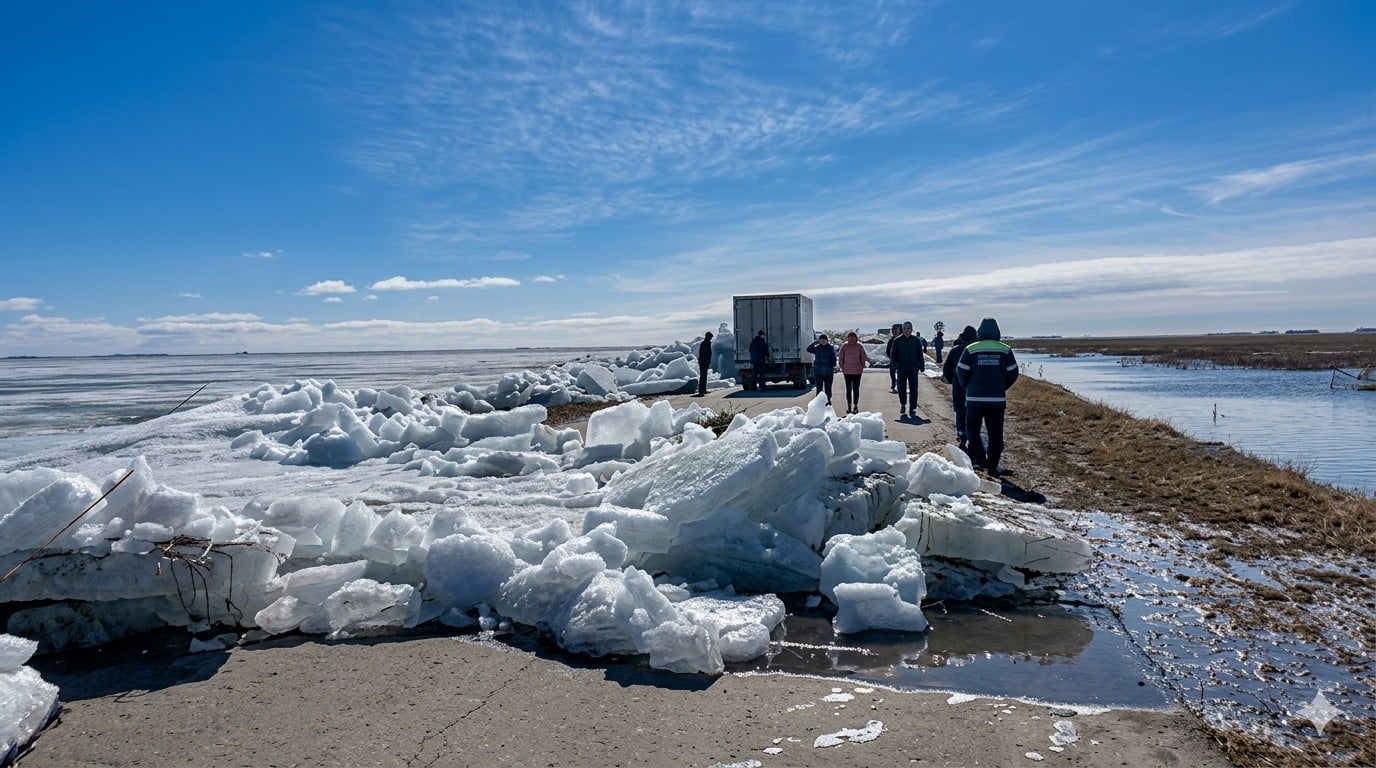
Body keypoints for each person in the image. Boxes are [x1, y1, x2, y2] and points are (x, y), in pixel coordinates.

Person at [955, 317, 1019, 476]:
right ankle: (992, 467)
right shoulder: (1005, 350)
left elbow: (961, 371)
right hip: (996, 401)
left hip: (974, 400)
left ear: (980, 331)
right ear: (997, 331)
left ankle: (974, 463)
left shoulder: (971, 349)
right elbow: (1013, 372)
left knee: (973, 432)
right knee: (995, 435)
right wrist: (1002, 387)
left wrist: (968, 387)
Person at [941, 325, 978, 451]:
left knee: (959, 410)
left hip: (958, 385)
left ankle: (962, 434)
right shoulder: (977, 350)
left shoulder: (955, 350)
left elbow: (947, 369)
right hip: (975, 386)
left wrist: (950, 379)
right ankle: (973, 434)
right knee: (973, 411)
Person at [888, 321, 925, 419]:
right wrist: (894, 364)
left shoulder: (916, 340)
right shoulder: (897, 340)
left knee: (914, 389)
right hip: (901, 368)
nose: (907, 330)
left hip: (913, 368)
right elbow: (893, 353)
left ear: (912, 330)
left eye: (908, 328)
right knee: (901, 387)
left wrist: (921, 365)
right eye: (904, 329)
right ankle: (903, 404)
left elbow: (920, 353)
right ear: (902, 330)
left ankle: (912, 409)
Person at [837, 331, 870, 414]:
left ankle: (855, 405)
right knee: (848, 389)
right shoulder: (844, 346)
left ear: (856, 338)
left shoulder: (859, 346)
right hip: (847, 371)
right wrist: (841, 365)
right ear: (847, 338)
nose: (851, 340)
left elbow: (863, 356)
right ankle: (849, 405)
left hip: (857, 371)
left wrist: (862, 365)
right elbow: (841, 356)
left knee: (856, 389)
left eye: (853, 338)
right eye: (849, 338)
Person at [806, 334, 837, 404]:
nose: (823, 342)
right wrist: (815, 342)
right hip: (818, 372)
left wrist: (833, 367)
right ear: (819, 341)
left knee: (828, 388)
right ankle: (819, 402)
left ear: (827, 341)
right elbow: (808, 349)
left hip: (828, 372)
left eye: (824, 340)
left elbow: (833, 358)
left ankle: (828, 400)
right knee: (819, 388)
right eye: (821, 340)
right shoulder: (817, 348)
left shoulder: (830, 348)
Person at [884, 323, 902, 393]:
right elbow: (888, 351)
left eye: (895, 329)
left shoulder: (903, 340)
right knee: (893, 374)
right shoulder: (891, 340)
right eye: (893, 330)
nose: (894, 331)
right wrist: (892, 357)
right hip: (893, 361)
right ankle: (893, 386)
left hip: (902, 361)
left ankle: (900, 386)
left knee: (901, 374)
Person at [695, 331, 713, 397]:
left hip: (705, 362)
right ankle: (701, 390)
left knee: (704, 376)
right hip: (703, 362)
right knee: (703, 376)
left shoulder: (707, 343)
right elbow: (704, 354)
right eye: (710, 337)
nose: (711, 338)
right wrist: (704, 361)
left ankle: (703, 390)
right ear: (707, 336)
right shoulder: (705, 344)